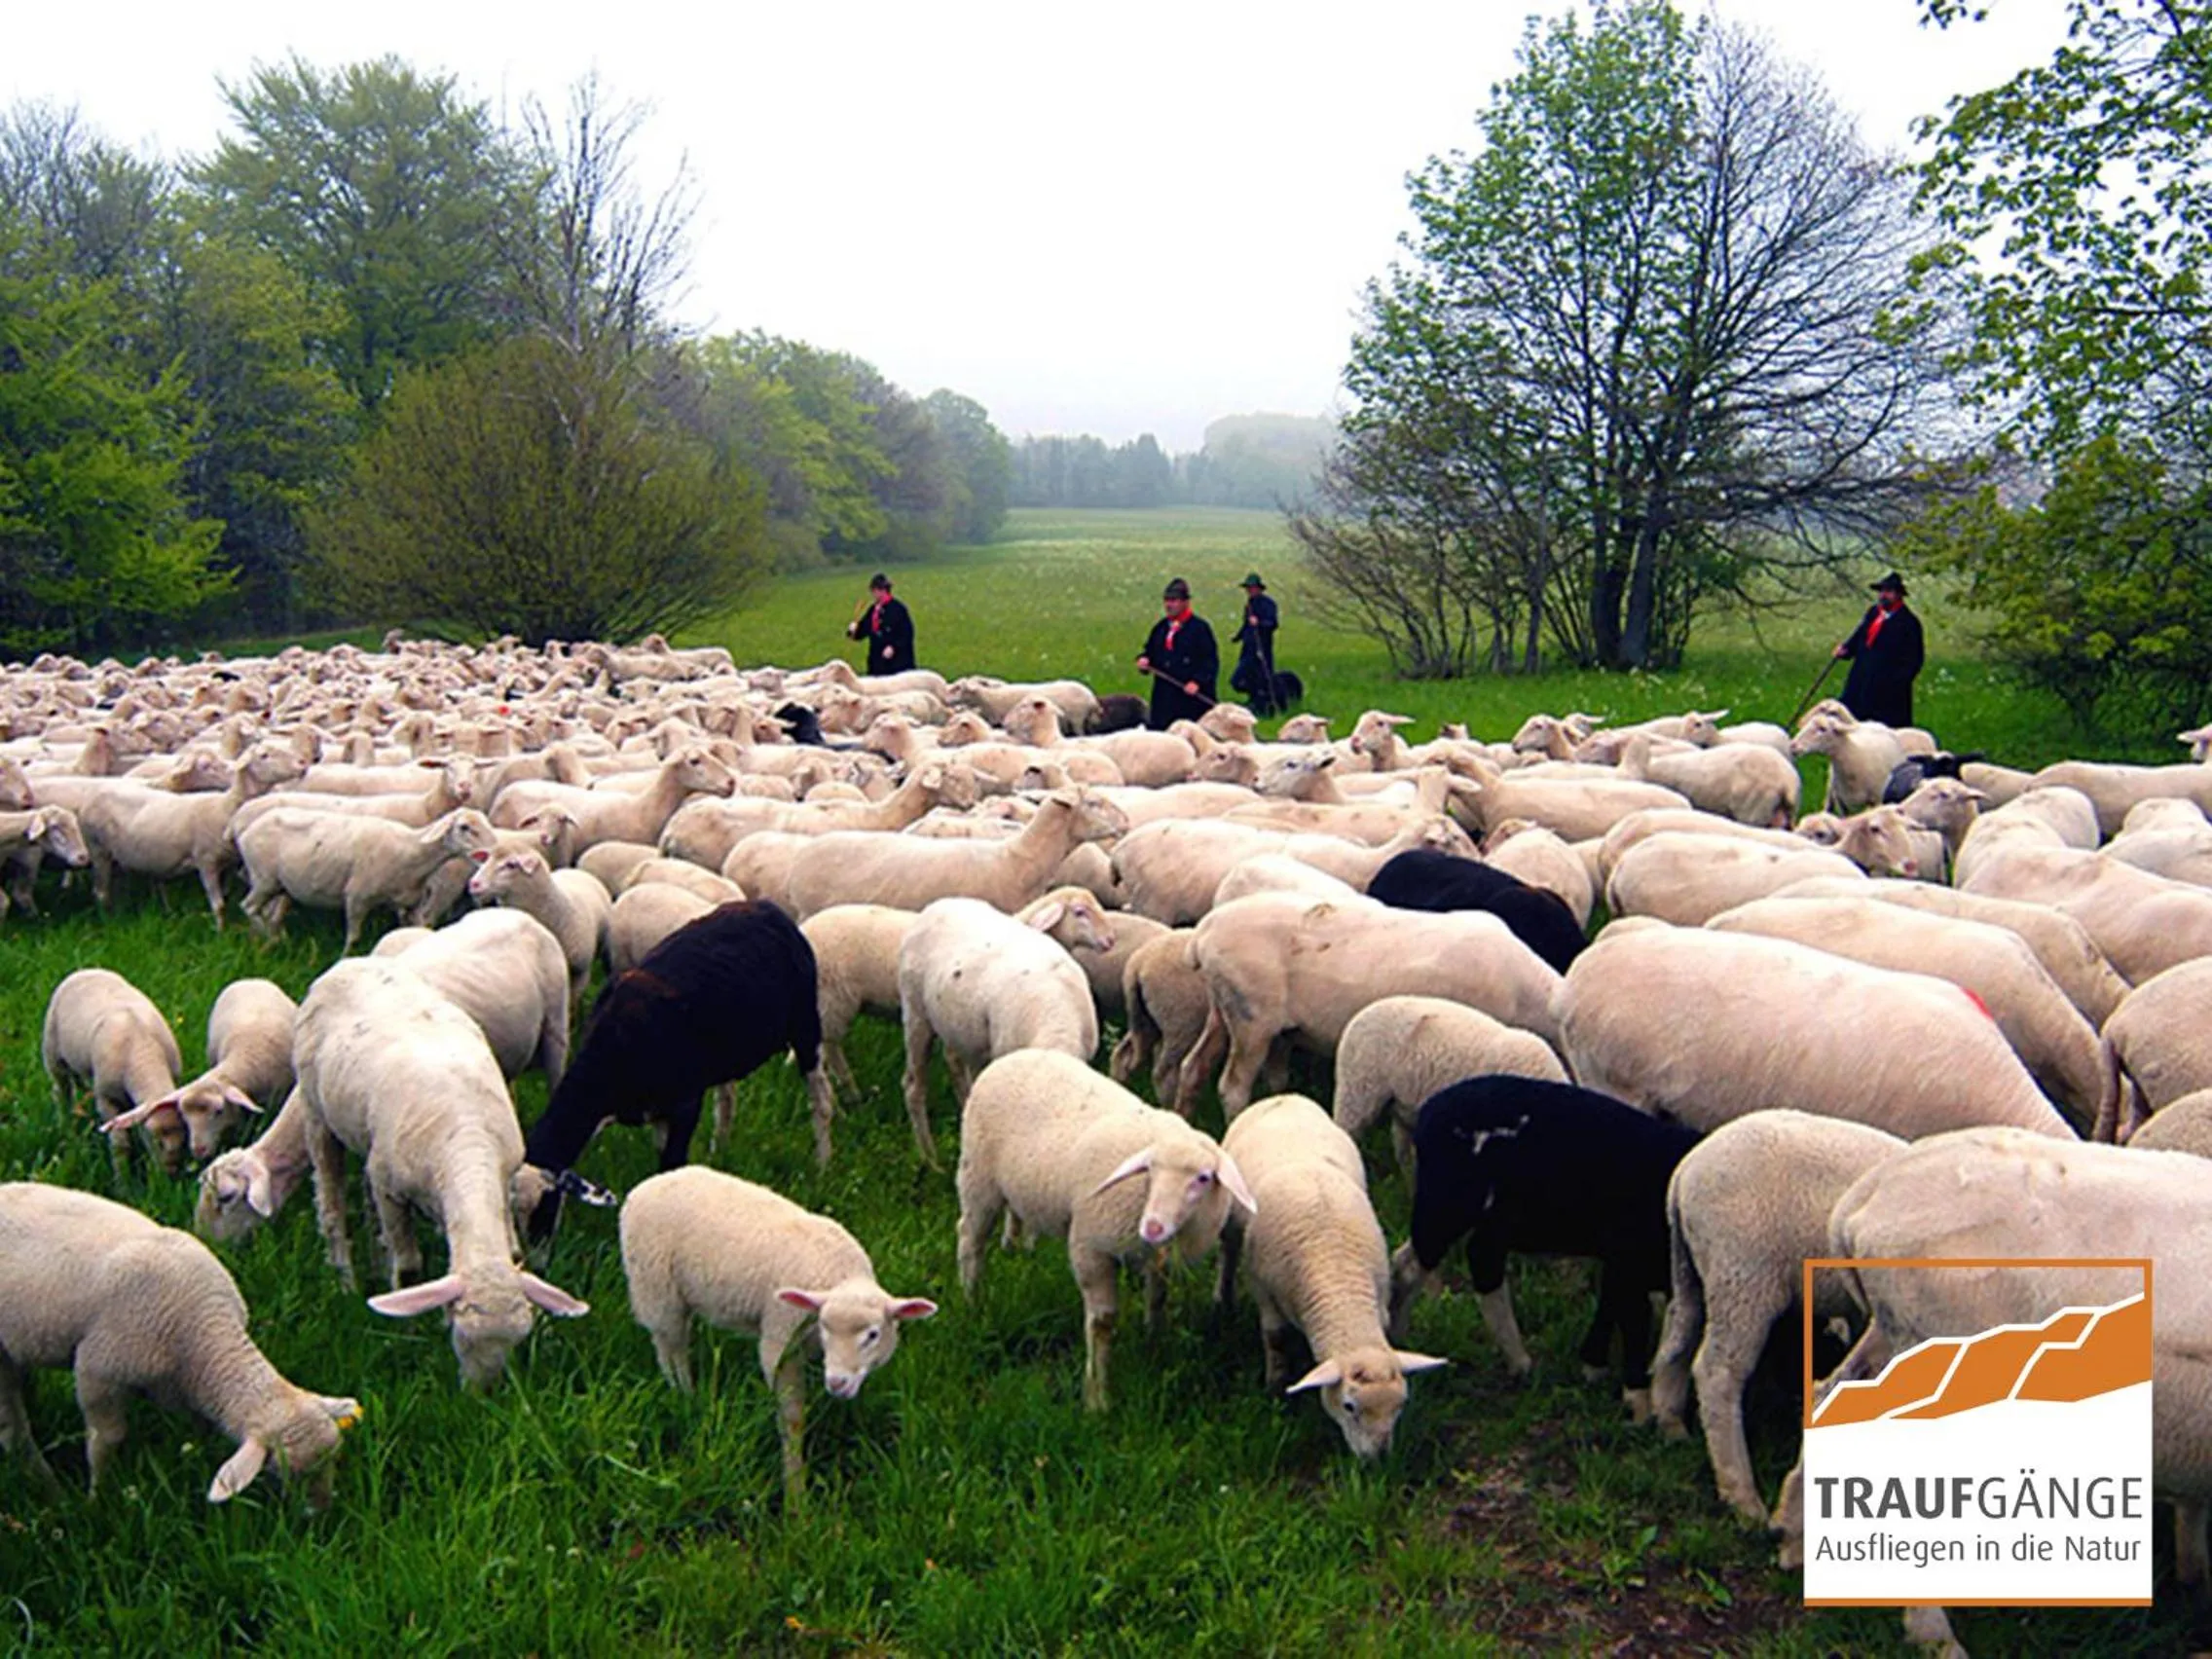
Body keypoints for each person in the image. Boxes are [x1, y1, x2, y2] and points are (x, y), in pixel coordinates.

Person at [1834, 571, 1924, 727]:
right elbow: (1859, 636)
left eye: (1888, 592)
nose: (1883, 595)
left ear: (1898, 595)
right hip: (1862, 679)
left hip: (1888, 689)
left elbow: (1914, 659)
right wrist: (1846, 649)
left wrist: (1897, 683)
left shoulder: (1908, 623)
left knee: (1884, 727)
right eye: (1882, 591)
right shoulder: (1873, 614)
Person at [1135, 577, 1217, 731]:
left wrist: (1197, 682)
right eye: (1166, 600)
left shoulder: (1200, 629)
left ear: (1185, 603)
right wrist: (1144, 661)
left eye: (1174, 600)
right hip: (1164, 698)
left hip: (1190, 700)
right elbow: (1150, 651)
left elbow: (1210, 661)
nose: (1169, 605)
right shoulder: (1160, 628)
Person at [1229, 571, 1281, 716]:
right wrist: (1237, 637)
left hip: (1262, 648)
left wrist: (1260, 624)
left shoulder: (1269, 604)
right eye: (1248, 588)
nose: (1249, 591)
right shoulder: (1249, 605)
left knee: (1263, 677)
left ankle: (1263, 704)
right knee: (1239, 679)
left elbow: (1273, 624)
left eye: (1252, 588)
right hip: (1248, 648)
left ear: (1259, 588)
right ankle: (1253, 698)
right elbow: (1246, 625)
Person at [847, 572, 915, 675]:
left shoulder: (898, 609)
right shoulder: (873, 610)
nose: (873, 594)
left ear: (882, 590)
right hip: (877, 662)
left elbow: (907, 633)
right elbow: (864, 630)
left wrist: (894, 647)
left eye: (874, 591)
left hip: (897, 664)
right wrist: (854, 630)